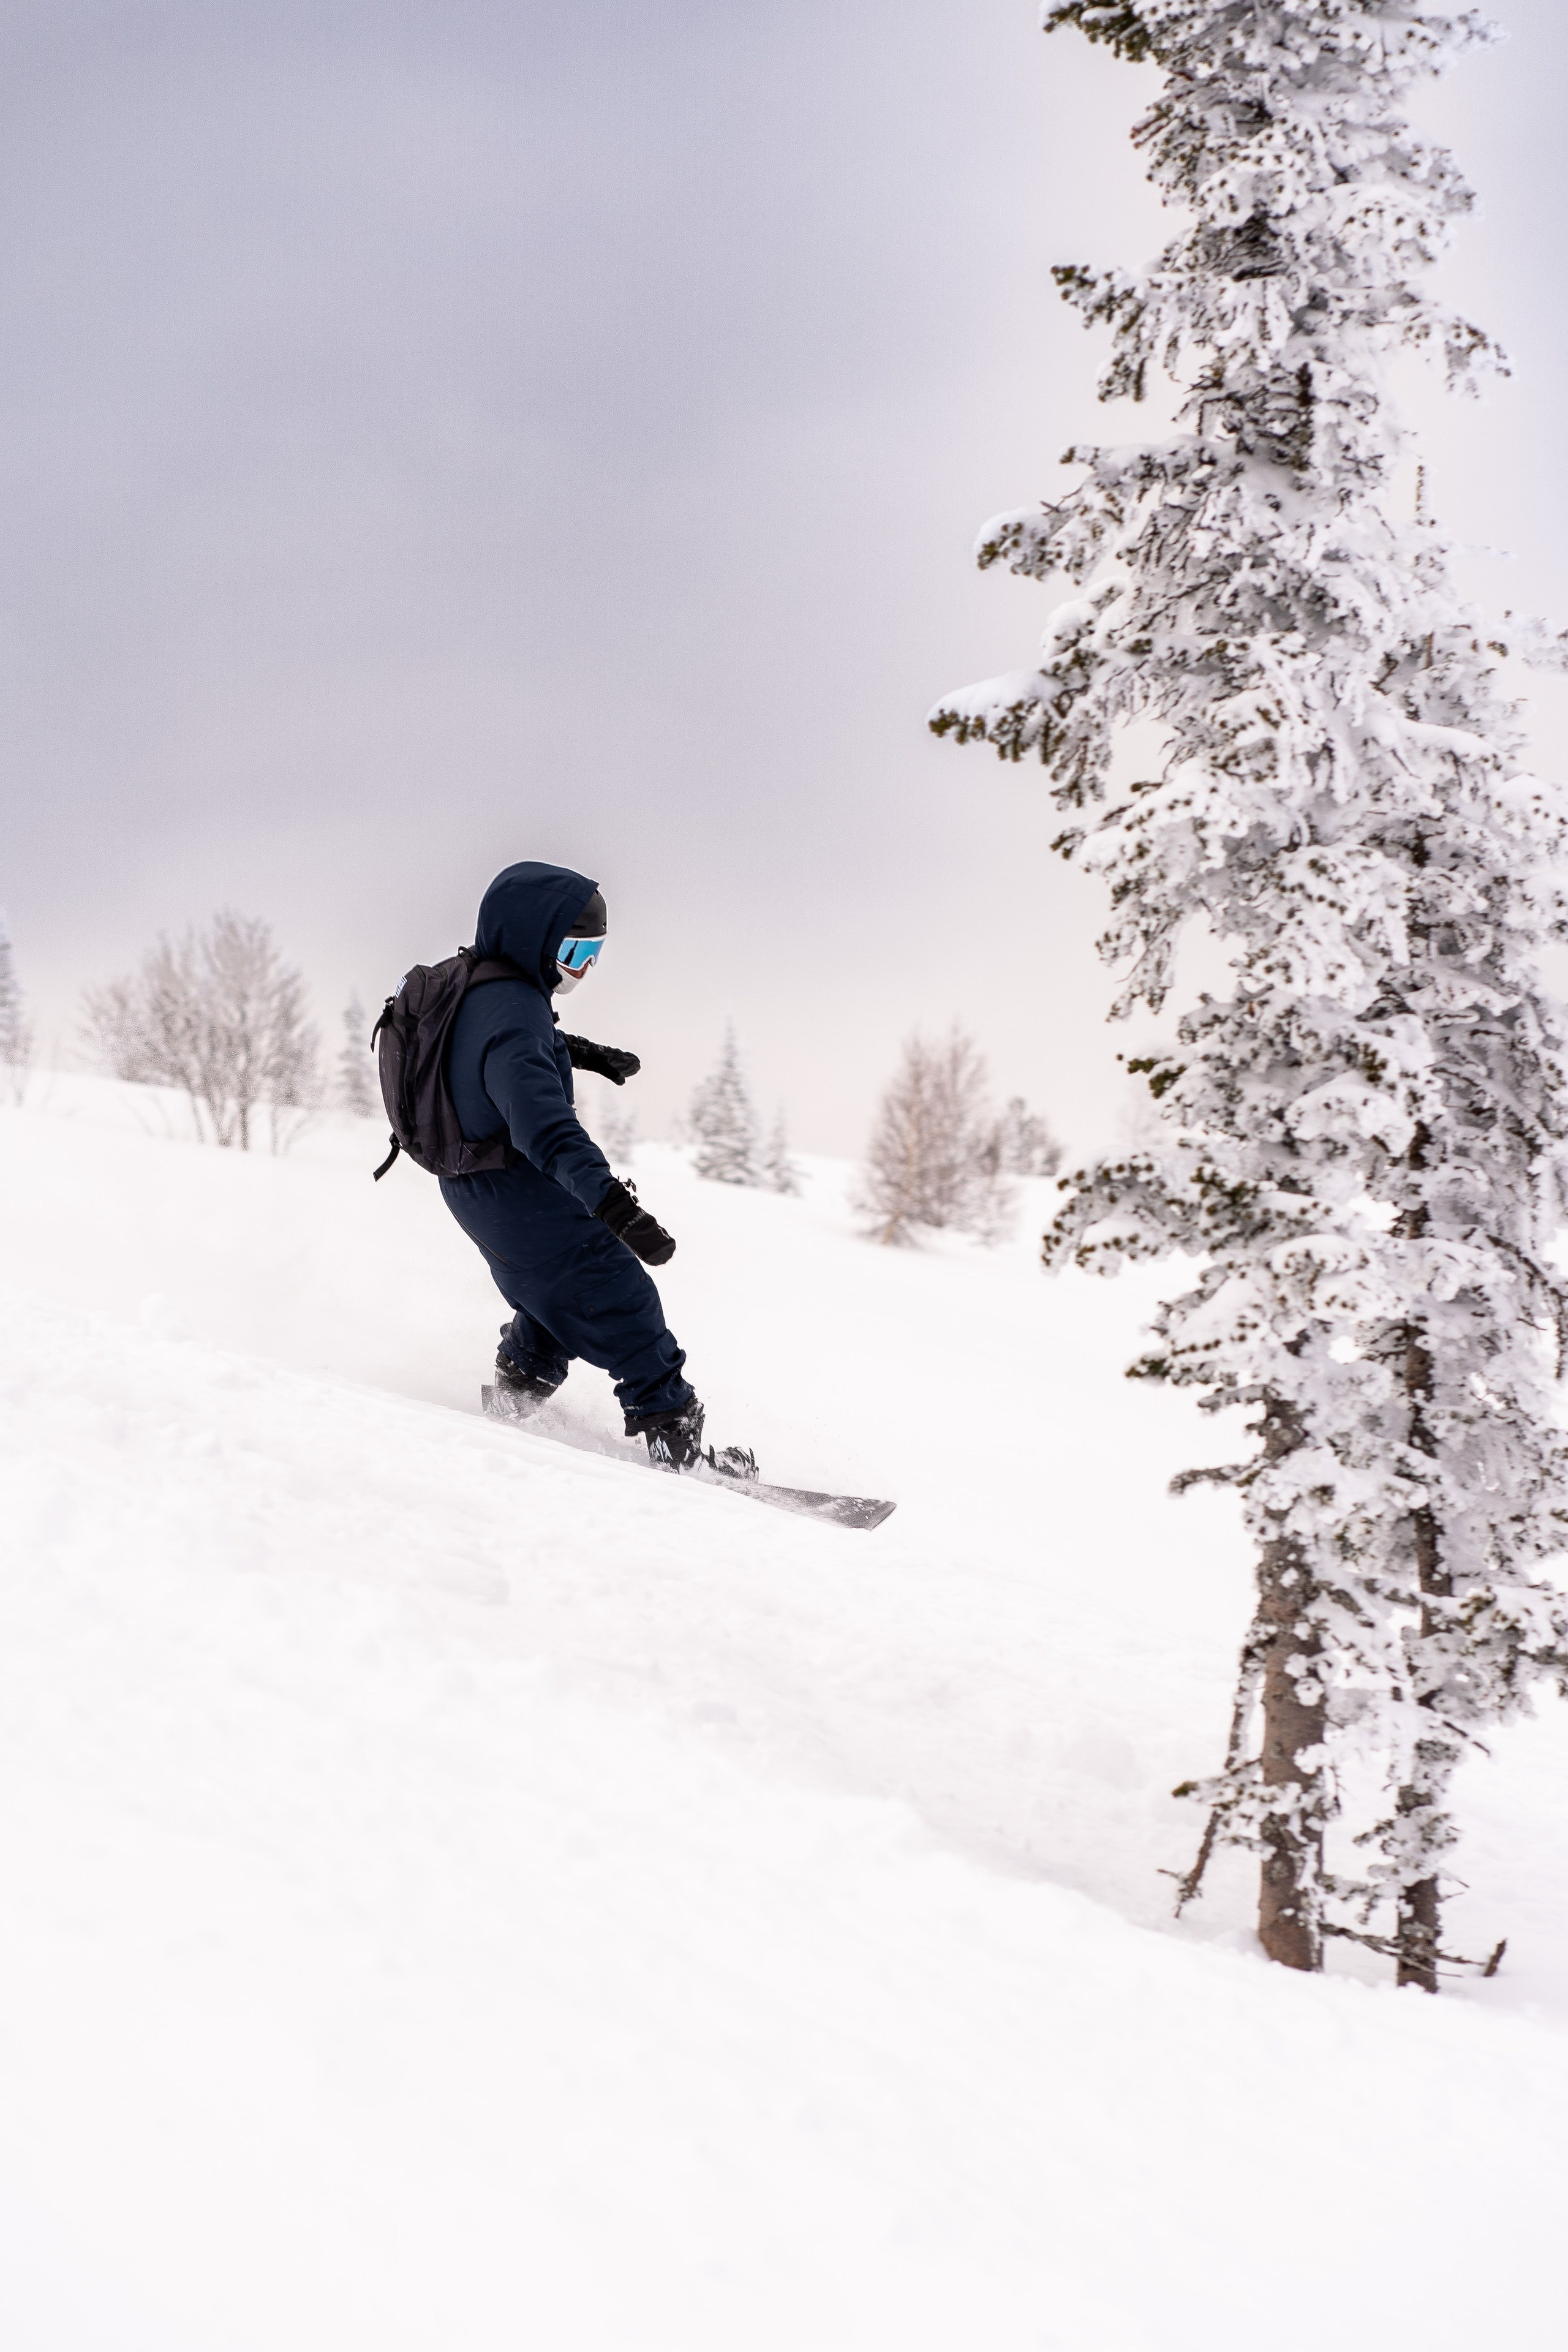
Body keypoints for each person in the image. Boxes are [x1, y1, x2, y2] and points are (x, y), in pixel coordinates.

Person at [440, 858, 733, 1473]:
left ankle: (517, 1395)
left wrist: (576, 1052)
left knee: (559, 1292)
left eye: (593, 952)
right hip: (518, 1190)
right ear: (536, 938)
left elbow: (483, 1053)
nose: (584, 968)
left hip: (473, 1190)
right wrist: (617, 1210)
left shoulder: (473, 981)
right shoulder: (517, 1019)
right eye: (573, 951)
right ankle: (675, 1442)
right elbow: (546, 1130)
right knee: (620, 1295)